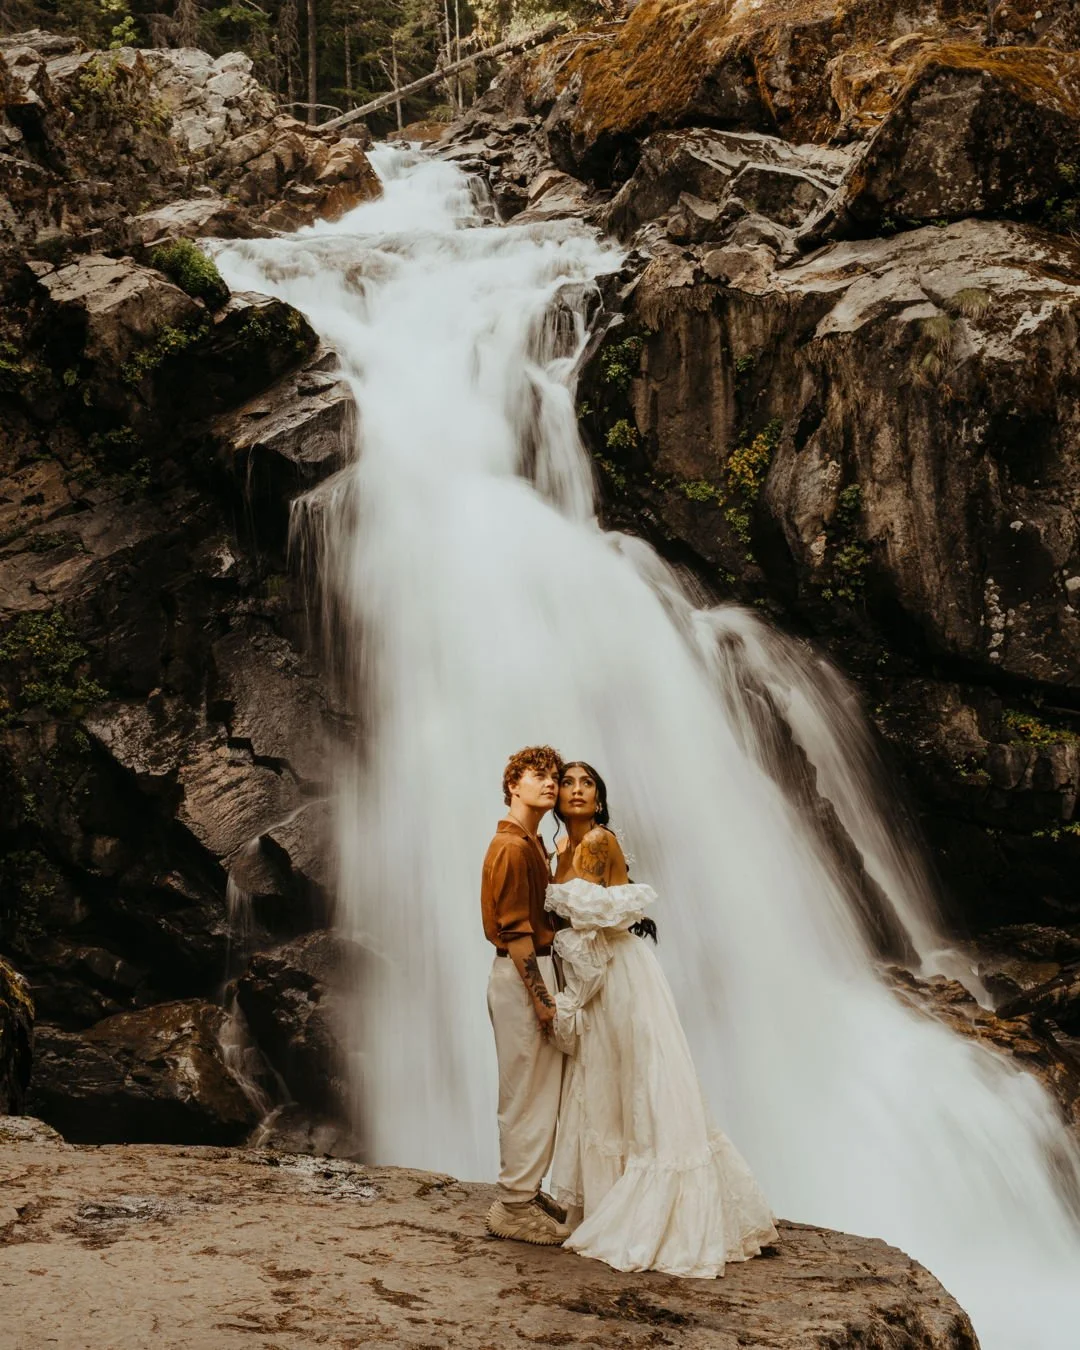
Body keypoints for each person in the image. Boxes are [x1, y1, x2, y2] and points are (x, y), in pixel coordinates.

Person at [548, 760, 778, 1277]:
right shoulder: (561, 848)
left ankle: (658, 1209)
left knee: (641, 1077)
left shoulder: (598, 842)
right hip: (596, 973)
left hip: (618, 972)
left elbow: (593, 918)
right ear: (556, 797)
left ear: (600, 799)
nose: (577, 790)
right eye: (568, 782)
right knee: (607, 1081)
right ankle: (610, 1201)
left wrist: (567, 993)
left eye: (587, 784)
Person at [481, 744, 572, 1246]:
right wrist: (540, 998)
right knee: (525, 1091)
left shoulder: (531, 843)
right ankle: (514, 1206)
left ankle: (526, 1189)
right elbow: (516, 932)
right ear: (513, 784)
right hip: (522, 973)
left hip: (529, 971)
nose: (551, 783)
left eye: (554, 776)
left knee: (538, 1086)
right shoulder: (514, 847)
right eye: (538, 775)